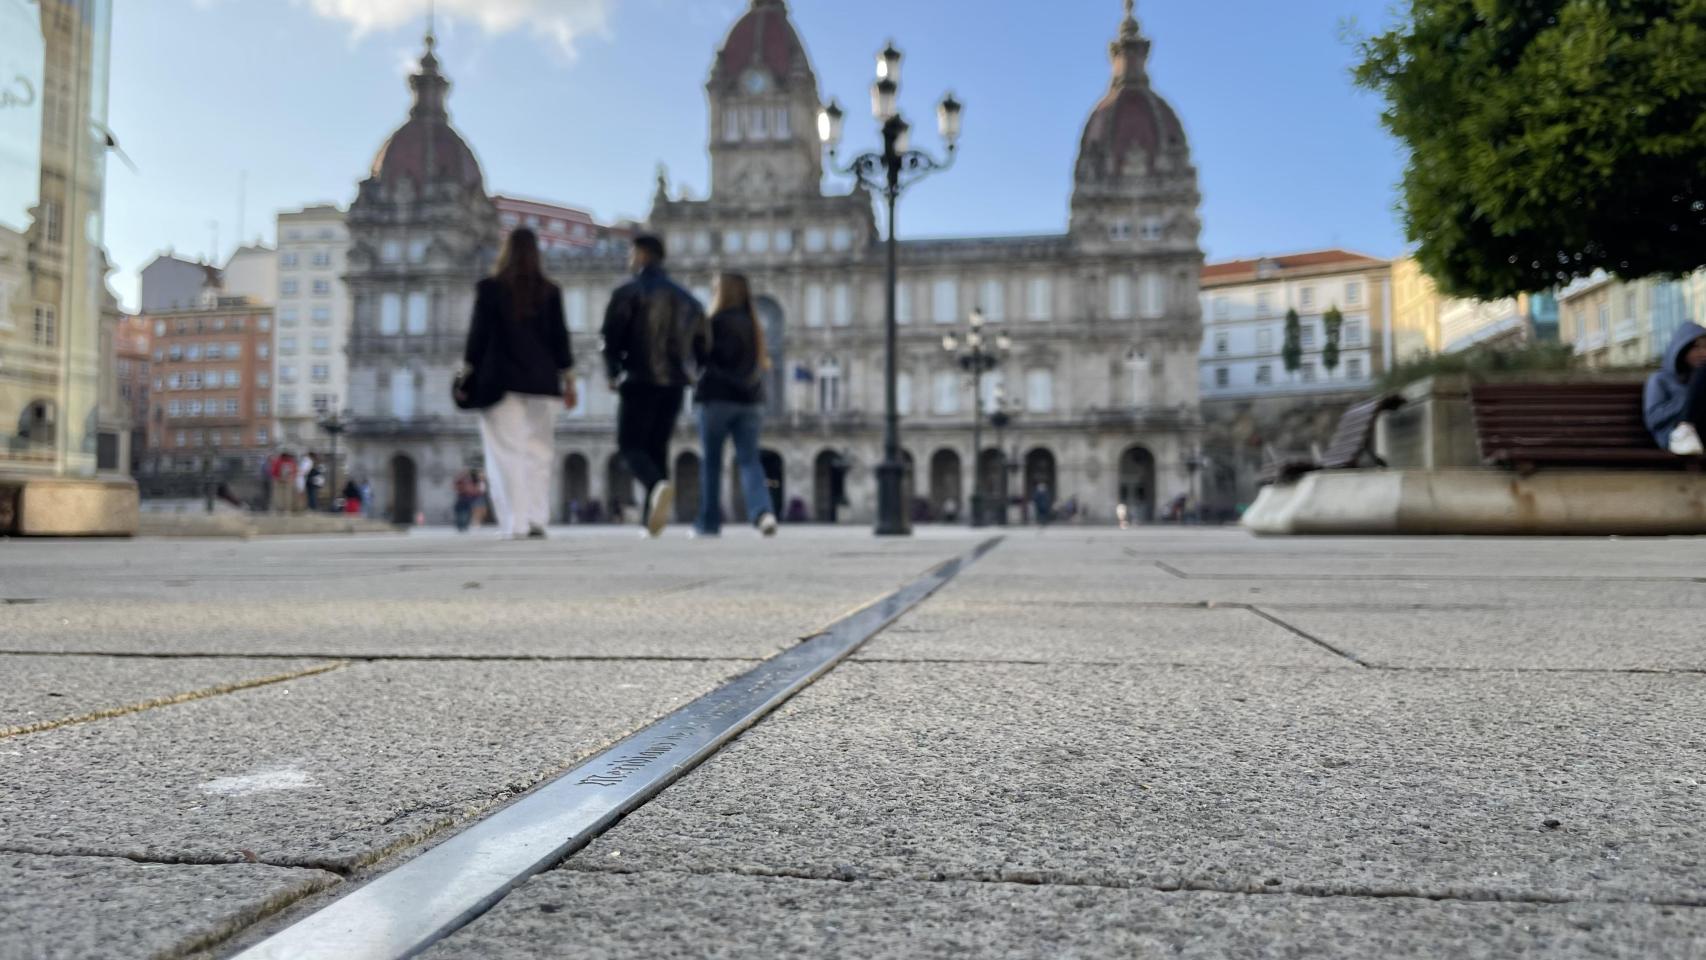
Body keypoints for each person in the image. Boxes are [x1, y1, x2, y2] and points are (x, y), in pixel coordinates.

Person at [458, 227, 577, 539]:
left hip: (501, 382)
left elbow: (477, 338)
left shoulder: (489, 289)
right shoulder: (550, 291)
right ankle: (538, 517)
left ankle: (516, 522)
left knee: (506, 453)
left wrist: (467, 371)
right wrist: (569, 379)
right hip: (543, 383)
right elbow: (561, 340)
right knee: (539, 453)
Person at [601, 234, 708, 538]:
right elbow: (703, 344)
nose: (629, 258)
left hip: (638, 378)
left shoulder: (628, 292)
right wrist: (693, 371)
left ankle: (654, 486)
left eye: (632, 252)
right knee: (657, 447)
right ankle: (652, 521)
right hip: (674, 384)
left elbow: (610, 337)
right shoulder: (688, 300)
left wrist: (613, 370)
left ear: (643, 254)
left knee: (630, 445)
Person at [691, 272, 779, 538]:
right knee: (750, 460)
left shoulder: (711, 321)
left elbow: (697, 360)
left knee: (712, 463)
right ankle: (763, 512)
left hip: (716, 399)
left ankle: (708, 523)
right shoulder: (755, 326)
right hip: (750, 400)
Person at [1645, 322, 1706, 457]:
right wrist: (1689, 398)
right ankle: (1686, 427)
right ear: (1682, 349)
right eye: (1696, 347)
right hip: (1674, 437)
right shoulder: (1660, 379)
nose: (1703, 352)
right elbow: (1653, 419)